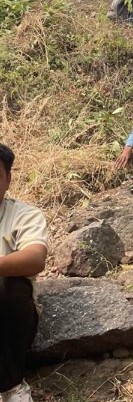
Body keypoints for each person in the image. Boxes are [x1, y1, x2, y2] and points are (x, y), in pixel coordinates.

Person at [0, 144, 48, 402]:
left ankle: (11, 386)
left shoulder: (24, 215)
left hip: (8, 315)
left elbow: (35, 258)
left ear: (8, 179)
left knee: (10, 284)